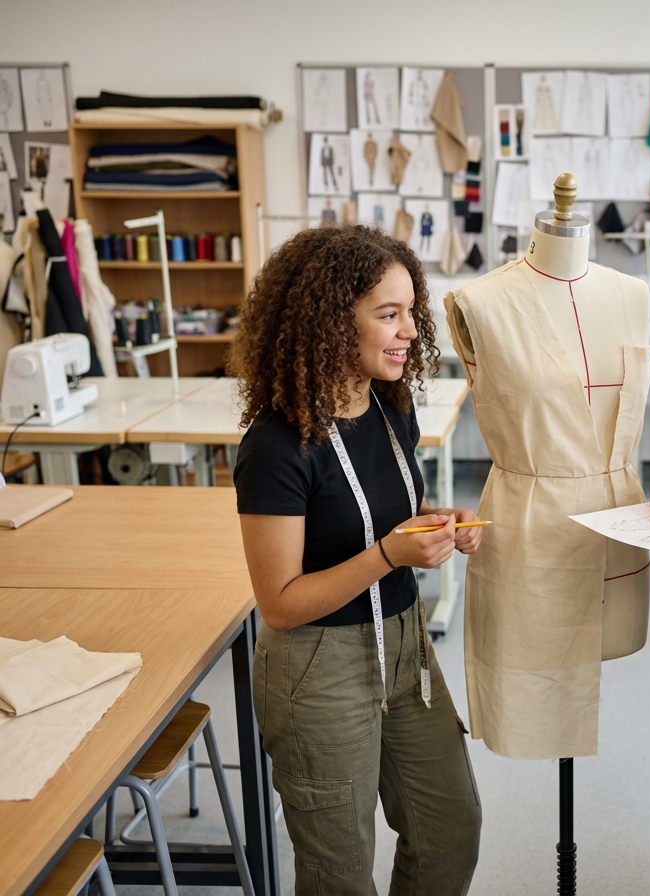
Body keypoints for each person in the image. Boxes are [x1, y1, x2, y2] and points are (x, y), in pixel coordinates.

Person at [231, 225, 482, 895]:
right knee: (340, 873)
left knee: (450, 828)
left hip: (405, 649)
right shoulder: (277, 446)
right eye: (388, 314)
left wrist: (439, 526)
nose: (408, 331)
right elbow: (280, 601)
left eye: (411, 312)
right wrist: (386, 555)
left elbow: (389, 519)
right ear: (329, 319)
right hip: (318, 666)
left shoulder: (391, 408)